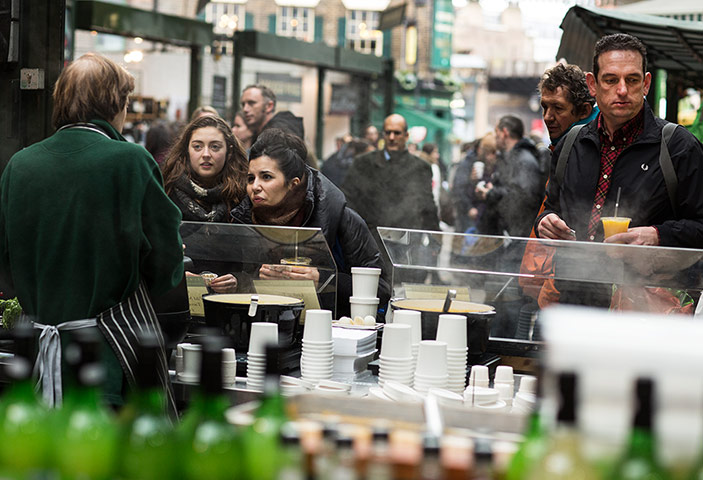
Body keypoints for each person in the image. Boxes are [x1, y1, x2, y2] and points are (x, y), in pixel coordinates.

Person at [0, 53, 183, 411]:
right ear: (115, 103)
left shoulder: (19, 166)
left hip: (37, 360)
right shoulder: (131, 162)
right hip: (110, 364)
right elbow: (166, 265)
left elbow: (5, 265)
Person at [536, 33, 703, 248]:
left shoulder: (679, 148)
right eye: (611, 80)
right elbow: (552, 208)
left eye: (632, 80)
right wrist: (545, 222)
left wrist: (659, 235)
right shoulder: (570, 143)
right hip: (573, 279)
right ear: (592, 85)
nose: (622, 90)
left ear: (646, 84)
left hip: (643, 281)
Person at [230, 128, 391, 317]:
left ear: (294, 183)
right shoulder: (242, 219)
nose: (255, 187)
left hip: (332, 331)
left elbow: (381, 288)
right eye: (251, 178)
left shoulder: (341, 219)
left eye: (266, 177)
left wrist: (323, 279)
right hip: (263, 328)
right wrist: (252, 278)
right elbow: (237, 278)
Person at [520, 63, 599, 304]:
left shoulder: (590, 148)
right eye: (545, 106)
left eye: (558, 108)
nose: (547, 117)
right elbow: (552, 207)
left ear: (584, 110)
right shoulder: (563, 148)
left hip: (580, 290)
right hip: (559, 283)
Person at [343, 114, 440, 237]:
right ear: (383, 135)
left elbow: (428, 207)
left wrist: (435, 240)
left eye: (397, 133)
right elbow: (348, 199)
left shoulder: (421, 167)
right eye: (388, 133)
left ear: (406, 136)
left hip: (406, 242)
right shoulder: (362, 163)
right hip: (370, 240)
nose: (392, 137)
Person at [162, 114, 248, 223]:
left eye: (215, 147)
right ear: (187, 150)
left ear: (229, 152)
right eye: (197, 146)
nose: (206, 154)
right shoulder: (167, 189)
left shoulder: (243, 194)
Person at [475, 115, 543, 238]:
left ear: (505, 132)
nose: (495, 137)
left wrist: (491, 193)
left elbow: (522, 196)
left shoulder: (523, 160)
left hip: (518, 235)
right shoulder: (511, 157)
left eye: (497, 133)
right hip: (508, 232)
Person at [239, 84, 304, 141]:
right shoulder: (257, 133)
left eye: (251, 103)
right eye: (243, 104)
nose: (245, 109)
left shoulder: (281, 132)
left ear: (269, 106)